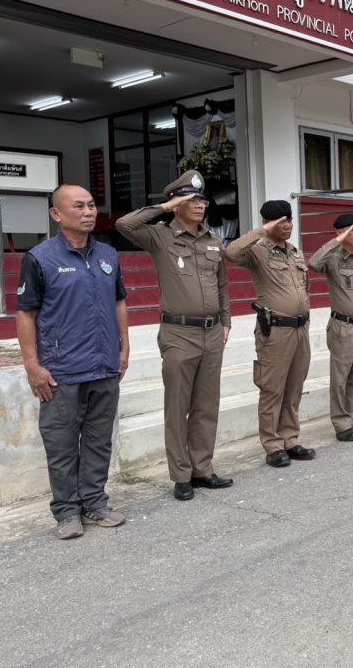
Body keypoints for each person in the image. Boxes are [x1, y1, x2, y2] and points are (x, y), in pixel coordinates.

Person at [17, 185, 129, 539]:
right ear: (57, 214)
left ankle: (94, 504)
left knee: (99, 441)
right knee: (62, 445)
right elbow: (25, 314)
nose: (89, 212)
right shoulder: (40, 258)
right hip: (61, 371)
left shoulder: (109, 255)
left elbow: (119, 303)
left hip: (104, 367)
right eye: (78, 206)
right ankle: (67, 512)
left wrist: (124, 348)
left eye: (92, 205)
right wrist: (32, 366)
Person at [116, 171, 233, 502]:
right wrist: (165, 207)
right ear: (177, 203)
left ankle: (203, 469)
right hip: (179, 332)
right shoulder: (161, 237)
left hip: (212, 333)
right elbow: (125, 225)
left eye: (202, 199)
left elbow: (222, 284)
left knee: (206, 406)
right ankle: (181, 475)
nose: (199, 205)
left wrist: (225, 320)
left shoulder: (213, 240)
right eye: (191, 199)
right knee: (178, 406)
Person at [224, 200, 316, 468]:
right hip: (275, 330)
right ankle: (273, 444)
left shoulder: (294, 253)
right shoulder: (258, 251)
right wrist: (262, 231)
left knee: (294, 387)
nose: (287, 226)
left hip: (301, 329)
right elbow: (230, 252)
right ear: (268, 223)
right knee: (272, 389)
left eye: (289, 221)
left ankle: (290, 439)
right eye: (281, 222)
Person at [308, 213, 353, 442]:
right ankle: (341, 423)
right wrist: (336, 241)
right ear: (339, 233)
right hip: (343, 326)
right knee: (341, 378)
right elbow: (313, 263)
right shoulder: (333, 257)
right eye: (351, 230)